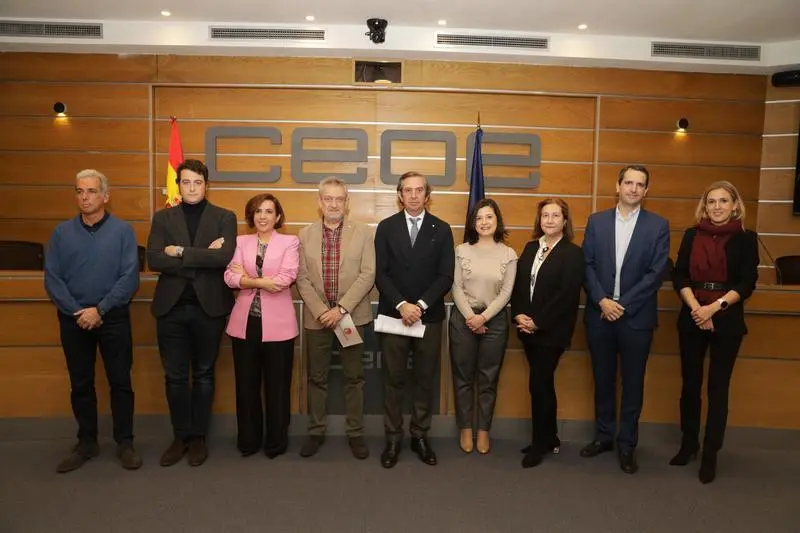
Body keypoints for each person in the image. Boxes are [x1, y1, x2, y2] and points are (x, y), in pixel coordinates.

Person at [44, 169, 141, 473]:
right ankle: (87, 442)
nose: (84, 197)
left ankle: (125, 442)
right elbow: (53, 278)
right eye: (79, 191)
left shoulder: (123, 231)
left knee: (120, 382)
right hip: (74, 320)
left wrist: (100, 309)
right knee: (81, 383)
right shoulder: (61, 233)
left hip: (113, 318)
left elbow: (130, 277)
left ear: (105, 196)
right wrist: (78, 311)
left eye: (91, 191)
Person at [147, 159, 237, 467]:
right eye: (185, 182)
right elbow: (154, 260)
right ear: (178, 185)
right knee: (174, 377)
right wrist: (203, 256)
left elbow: (223, 258)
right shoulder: (163, 218)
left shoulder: (224, 217)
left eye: (197, 182)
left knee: (204, 375)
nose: (192, 188)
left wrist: (181, 252)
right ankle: (180, 436)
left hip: (208, 309)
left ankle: (198, 437)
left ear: (206, 185)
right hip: (171, 309)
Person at [580, 165, 670, 474]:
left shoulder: (658, 226)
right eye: (628, 182)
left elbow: (656, 273)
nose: (633, 188)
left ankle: (627, 443)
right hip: (600, 313)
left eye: (640, 184)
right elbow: (587, 265)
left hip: (636, 318)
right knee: (602, 379)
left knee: (632, 383)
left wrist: (623, 304)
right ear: (617, 186)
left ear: (646, 190)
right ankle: (604, 436)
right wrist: (602, 301)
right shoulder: (597, 221)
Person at [670, 181, 758, 484]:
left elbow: (747, 282)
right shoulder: (691, 235)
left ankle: (710, 453)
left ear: (735, 205)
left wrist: (714, 309)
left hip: (727, 317)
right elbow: (680, 275)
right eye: (711, 202)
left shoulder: (746, 238)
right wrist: (698, 309)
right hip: (692, 314)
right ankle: (688, 444)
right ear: (704, 206)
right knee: (690, 385)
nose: (717, 207)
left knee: (718, 388)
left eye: (723, 201)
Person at [374, 171, 455, 468]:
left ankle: (419, 435)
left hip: (428, 316)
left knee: (424, 379)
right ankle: (393, 438)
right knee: (393, 380)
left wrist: (419, 306)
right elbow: (380, 273)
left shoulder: (442, 229)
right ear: (399, 195)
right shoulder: (386, 227)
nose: (413, 195)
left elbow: (445, 276)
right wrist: (401, 304)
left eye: (419, 190)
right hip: (393, 315)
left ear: (427, 194)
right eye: (407, 190)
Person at [295, 177, 375, 460]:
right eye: (328, 198)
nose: (333, 204)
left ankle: (355, 433)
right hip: (317, 319)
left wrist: (340, 310)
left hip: (351, 317)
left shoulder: (363, 233)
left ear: (347, 202)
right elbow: (302, 278)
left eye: (339, 199)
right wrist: (321, 311)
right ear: (319, 202)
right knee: (317, 378)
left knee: (355, 378)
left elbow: (368, 274)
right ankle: (316, 431)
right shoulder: (304, 235)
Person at [224, 193, 299, 459]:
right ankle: (248, 440)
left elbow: (286, 278)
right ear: (251, 216)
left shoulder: (290, 242)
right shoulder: (240, 242)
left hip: (279, 326)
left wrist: (247, 279)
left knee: (277, 388)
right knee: (246, 387)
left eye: (268, 211)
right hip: (245, 325)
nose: (263, 216)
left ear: (277, 217)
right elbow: (229, 277)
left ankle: (276, 442)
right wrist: (261, 282)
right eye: (258, 211)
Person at [510, 198, 584, 469]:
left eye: (555, 215)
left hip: (552, 332)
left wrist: (538, 322)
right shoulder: (532, 247)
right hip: (528, 329)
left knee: (539, 384)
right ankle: (550, 437)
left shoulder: (573, 253)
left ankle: (539, 444)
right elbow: (519, 284)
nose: (549, 220)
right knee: (541, 384)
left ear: (565, 221)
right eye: (545, 215)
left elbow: (567, 296)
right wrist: (518, 314)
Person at [449, 198, 517, 455]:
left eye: (489, 217)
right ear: (472, 223)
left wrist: (484, 318)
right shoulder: (461, 250)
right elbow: (456, 287)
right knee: (463, 377)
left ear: (497, 220)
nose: (484, 222)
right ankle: (466, 428)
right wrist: (471, 317)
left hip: (494, 320)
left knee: (488, 378)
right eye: (479, 218)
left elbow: (507, 292)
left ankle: (484, 430)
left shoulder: (508, 254)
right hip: (463, 319)